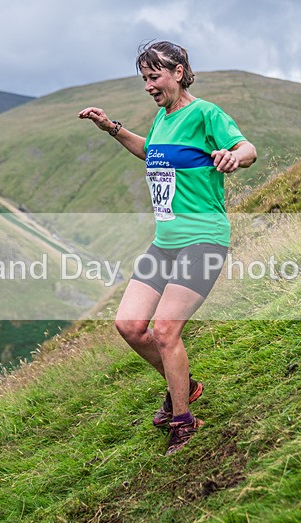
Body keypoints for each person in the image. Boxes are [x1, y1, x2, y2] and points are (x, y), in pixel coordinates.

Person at [78, 40, 257, 455]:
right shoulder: (162, 118)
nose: (148, 86)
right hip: (166, 244)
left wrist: (234, 158)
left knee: (165, 330)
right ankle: (186, 387)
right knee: (128, 325)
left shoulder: (205, 113)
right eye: (144, 79)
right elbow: (151, 153)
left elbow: (246, 148)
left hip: (204, 238)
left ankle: (183, 421)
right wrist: (112, 128)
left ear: (178, 72)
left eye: (154, 77)